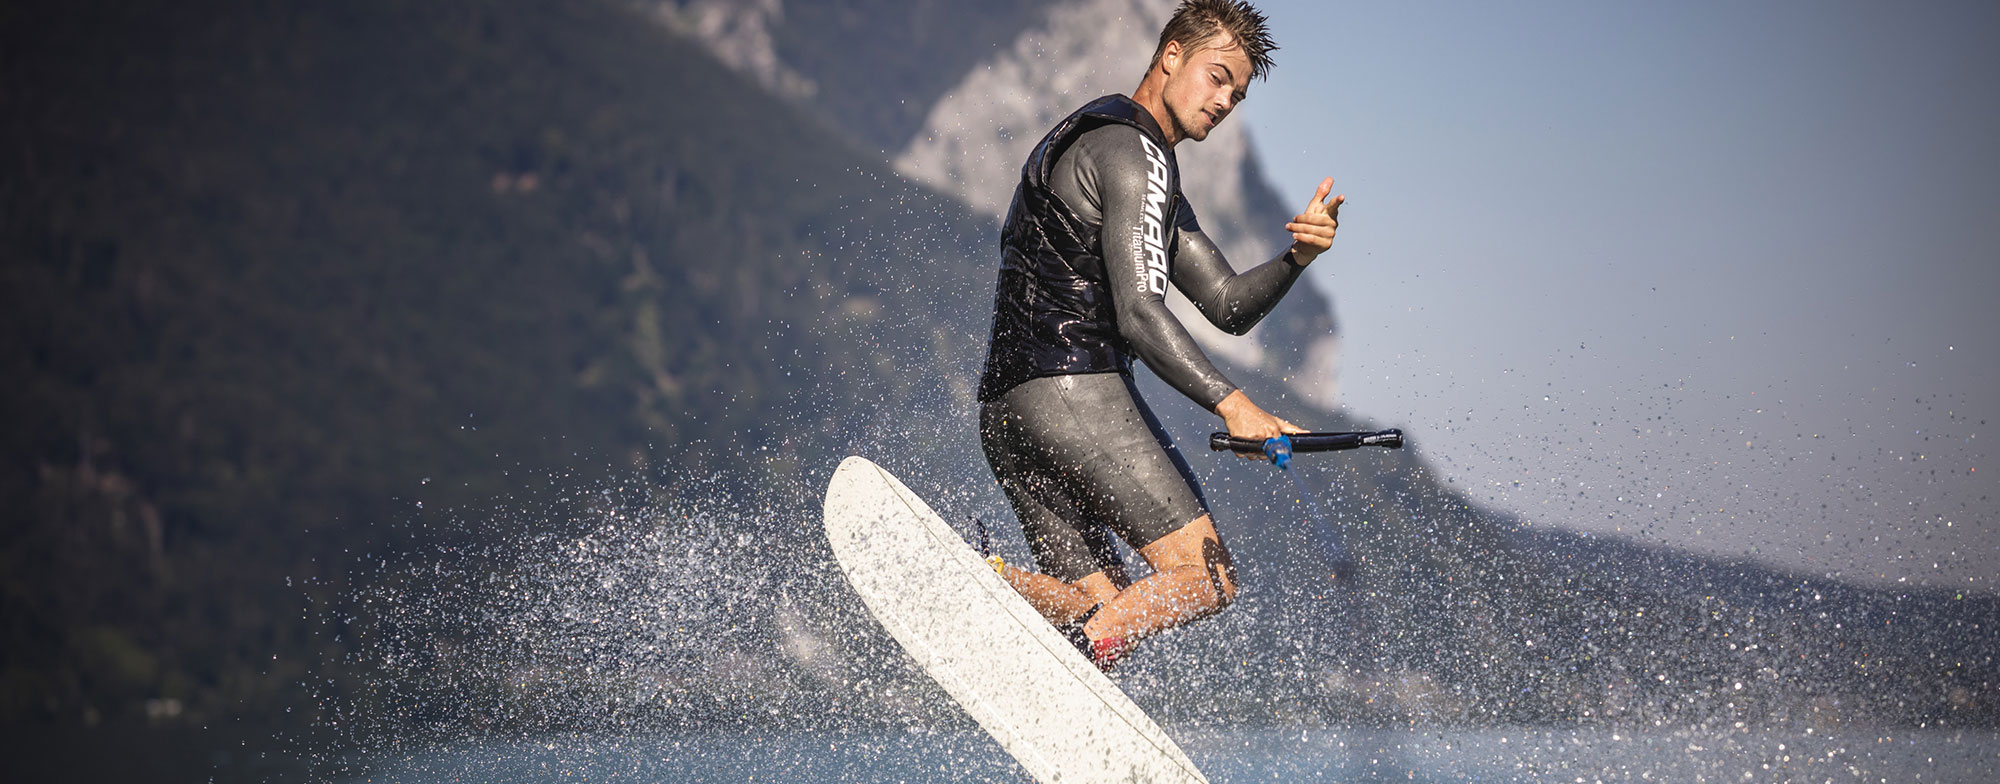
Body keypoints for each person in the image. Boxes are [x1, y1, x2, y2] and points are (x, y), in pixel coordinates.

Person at [976, 0, 1342, 670]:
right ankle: (1087, 656)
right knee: (1206, 578)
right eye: (1217, 76)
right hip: (1071, 393)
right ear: (1171, 54)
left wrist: (1298, 258)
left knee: (1105, 603)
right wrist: (1237, 408)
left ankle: (985, 585)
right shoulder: (1136, 153)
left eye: (1237, 91)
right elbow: (1141, 314)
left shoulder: (1101, 140)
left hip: (1006, 409)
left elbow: (1228, 305)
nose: (1226, 99)